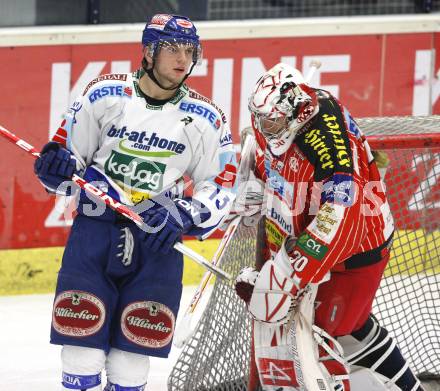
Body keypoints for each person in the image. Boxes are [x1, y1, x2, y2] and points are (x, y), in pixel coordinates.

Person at [33, 14, 237, 391]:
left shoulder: (206, 118)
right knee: (81, 352)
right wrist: (55, 167)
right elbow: (67, 163)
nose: (182, 58)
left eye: (189, 51)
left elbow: (223, 183)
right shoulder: (103, 94)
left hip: (157, 241)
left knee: (132, 360)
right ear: (148, 51)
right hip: (94, 233)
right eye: (172, 48)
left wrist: (186, 215)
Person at [234, 63, 424, 391]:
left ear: (295, 113)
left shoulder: (328, 143)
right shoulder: (280, 118)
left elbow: (339, 213)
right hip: (325, 241)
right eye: (261, 118)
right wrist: (257, 179)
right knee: (353, 328)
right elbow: (272, 152)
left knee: (313, 336)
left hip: (355, 249)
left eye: (272, 120)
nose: (265, 127)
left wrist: (290, 274)